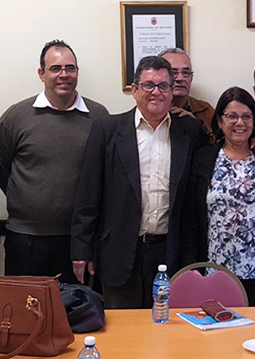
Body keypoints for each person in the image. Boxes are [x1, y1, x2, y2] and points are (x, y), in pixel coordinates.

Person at [70, 55, 207, 308]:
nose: (157, 92)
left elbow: (193, 199)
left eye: (163, 86)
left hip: (169, 251)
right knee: (123, 334)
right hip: (119, 251)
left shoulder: (189, 132)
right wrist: (81, 249)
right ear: (134, 90)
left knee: (168, 333)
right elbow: (88, 194)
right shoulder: (107, 131)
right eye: (148, 85)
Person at [0, 40, 109, 282]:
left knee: (78, 316)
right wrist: (28, 198)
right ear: (41, 73)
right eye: (55, 68)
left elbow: (106, 174)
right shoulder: (17, 117)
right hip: (25, 239)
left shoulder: (99, 117)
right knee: (24, 315)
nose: (63, 75)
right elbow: (0, 167)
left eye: (70, 68)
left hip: (79, 241)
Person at [181, 87, 255, 305]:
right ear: (219, 120)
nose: (239, 123)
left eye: (246, 117)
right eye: (231, 116)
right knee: (215, 336)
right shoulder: (202, 160)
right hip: (213, 271)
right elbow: (190, 219)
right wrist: (191, 267)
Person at [159, 48, 215, 133]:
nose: (180, 78)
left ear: (191, 78)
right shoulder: (148, 109)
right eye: (173, 72)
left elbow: (221, 144)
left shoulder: (205, 110)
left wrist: (196, 125)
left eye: (185, 73)